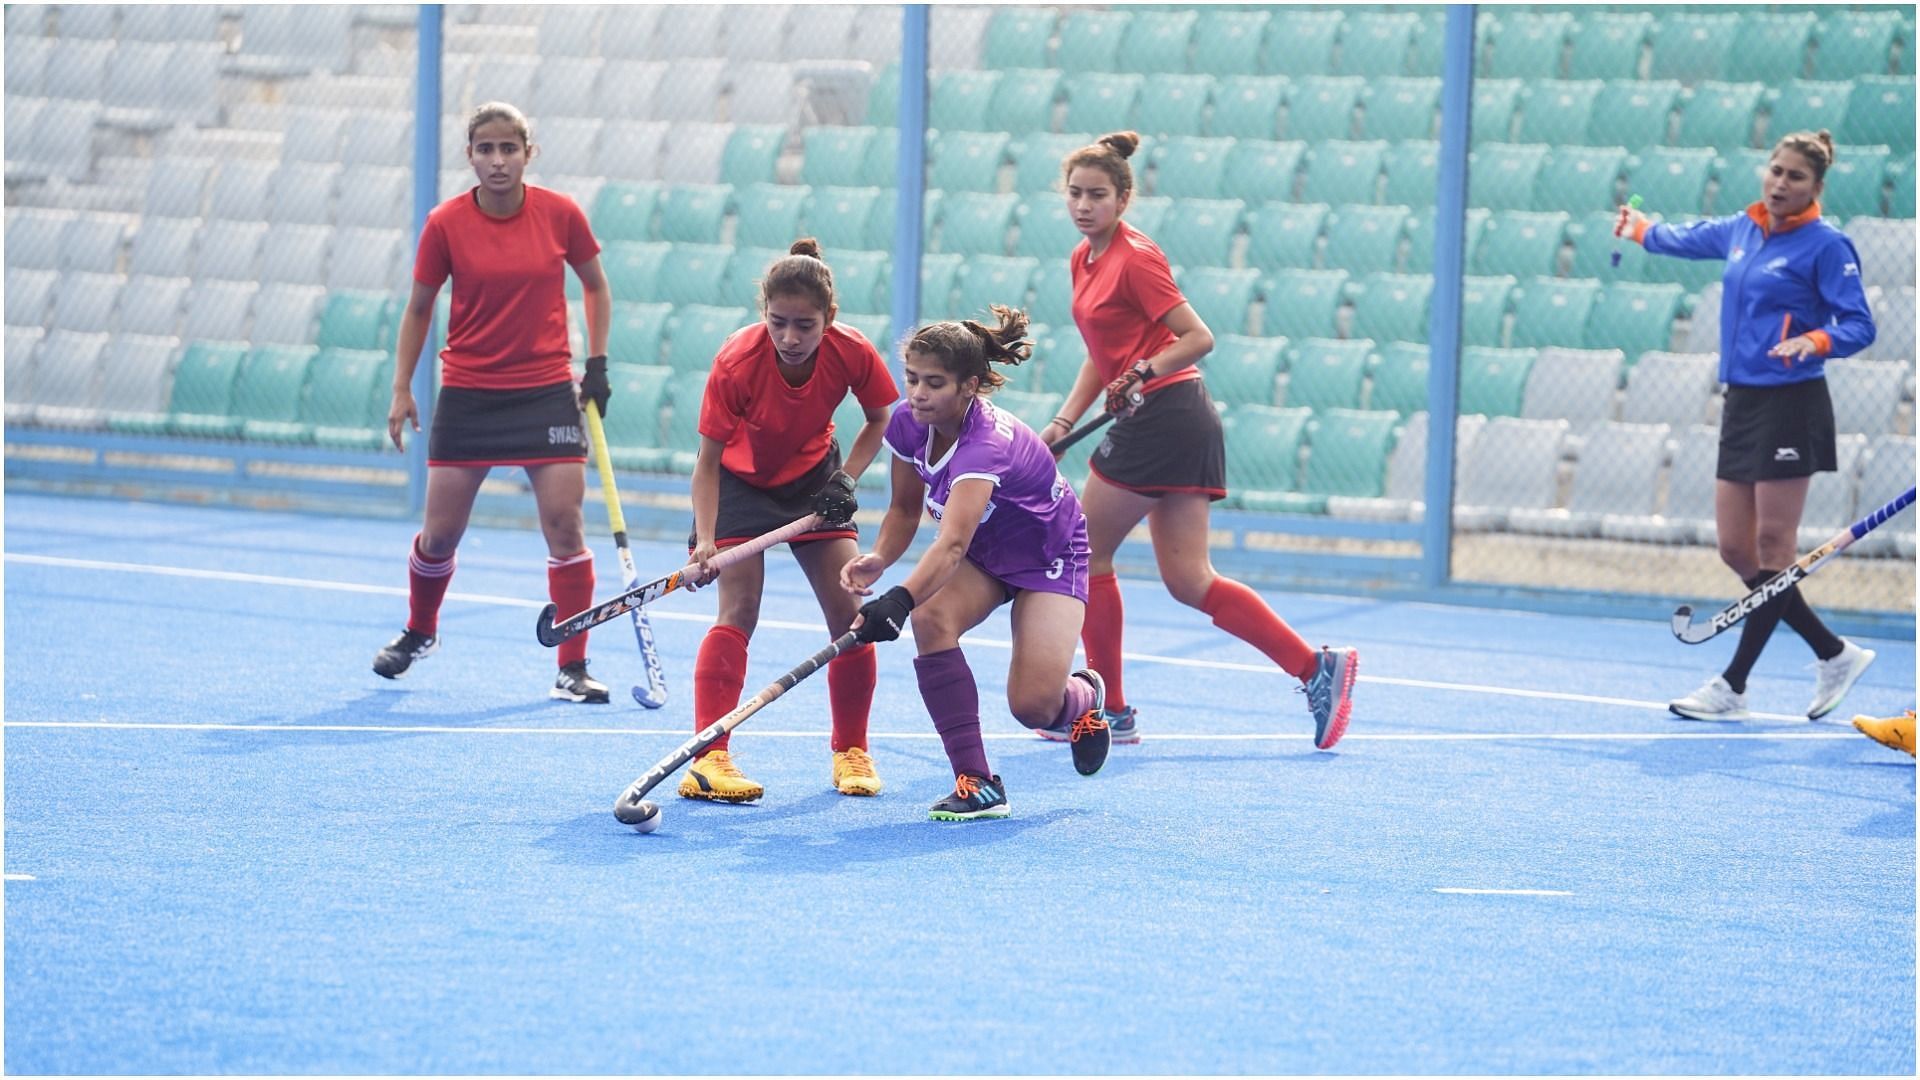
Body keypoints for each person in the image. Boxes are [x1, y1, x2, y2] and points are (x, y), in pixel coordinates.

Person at [1036, 131, 1357, 750]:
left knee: (1082, 549)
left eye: (1097, 195)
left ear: (1123, 198)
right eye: (1074, 194)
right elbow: (1103, 355)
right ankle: (1316, 669)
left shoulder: (1136, 258)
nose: (1083, 205)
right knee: (1189, 580)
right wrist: (1064, 422)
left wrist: (1142, 373)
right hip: (1168, 418)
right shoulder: (1084, 259)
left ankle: (1113, 710)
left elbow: (1196, 336)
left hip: (1165, 413)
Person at [1618, 130, 1879, 722]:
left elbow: (1860, 325)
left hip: (1793, 402)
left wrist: (1814, 340)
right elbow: (1682, 238)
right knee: (1738, 550)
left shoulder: (1826, 245)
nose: (1781, 183)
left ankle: (1732, 685)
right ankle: (1832, 652)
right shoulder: (1743, 228)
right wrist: (1639, 230)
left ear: (1816, 187)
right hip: (1743, 402)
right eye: (1776, 171)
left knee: (1773, 548)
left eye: (1796, 177)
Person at [376, 101, 614, 704]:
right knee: (439, 537)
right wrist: (403, 387)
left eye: (510, 148)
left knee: (565, 525)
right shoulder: (445, 224)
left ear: (528, 154)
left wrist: (597, 365)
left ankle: (573, 664)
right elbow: (419, 307)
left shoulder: (561, 214)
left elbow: (595, 286)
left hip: (544, 393)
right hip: (470, 394)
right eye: (486, 148)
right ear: (471, 156)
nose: (498, 159)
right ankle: (421, 630)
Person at [840, 306, 1110, 821]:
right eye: (912, 379)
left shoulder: (985, 445)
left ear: (969, 387)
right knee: (930, 619)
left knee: (1033, 707)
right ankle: (978, 781)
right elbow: (903, 509)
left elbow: (952, 544)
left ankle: (1083, 697)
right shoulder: (907, 422)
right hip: (987, 553)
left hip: (1048, 557)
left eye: (934, 383)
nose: (918, 394)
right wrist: (881, 559)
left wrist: (898, 597)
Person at [678, 239, 899, 803]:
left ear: (830, 319)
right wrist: (706, 539)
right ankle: (709, 758)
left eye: (805, 325)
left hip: (814, 485)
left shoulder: (851, 351)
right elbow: (707, 463)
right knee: (739, 609)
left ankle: (851, 749)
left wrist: (844, 479)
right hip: (741, 485)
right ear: (764, 315)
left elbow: (880, 419)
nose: (791, 338)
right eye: (778, 323)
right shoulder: (736, 361)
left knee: (852, 614)